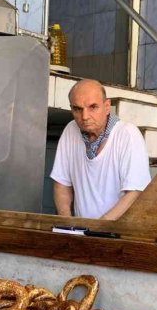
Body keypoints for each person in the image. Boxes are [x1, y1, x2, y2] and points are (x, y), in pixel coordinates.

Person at [50, 79, 151, 220]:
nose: (84, 117)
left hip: (118, 232)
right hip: (82, 233)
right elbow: (61, 183)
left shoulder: (127, 134)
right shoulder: (70, 130)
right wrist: (66, 223)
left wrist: (100, 227)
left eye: (93, 107)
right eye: (77, 109)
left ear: (107, 106)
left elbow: (134, 193)